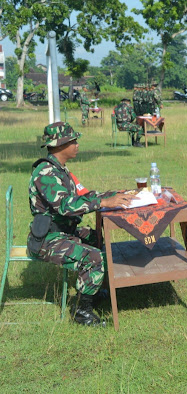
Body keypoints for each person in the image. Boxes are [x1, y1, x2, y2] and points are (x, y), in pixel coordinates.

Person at [28, 122, 133, 326]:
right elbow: (66, 206)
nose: (77, 145)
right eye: (73, 141)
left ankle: (90, 290)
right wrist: (102, 202)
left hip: (63, 232)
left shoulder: (61, 170)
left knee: (96, 238)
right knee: (93, 257)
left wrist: (114, 195)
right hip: (47, 239)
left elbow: (83, 195)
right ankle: (82, 312)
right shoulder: (45, 173)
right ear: (60, 145)